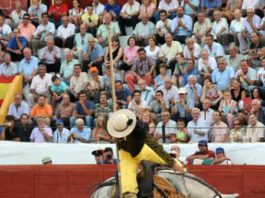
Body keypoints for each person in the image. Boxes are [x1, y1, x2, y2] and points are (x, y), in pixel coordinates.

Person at [107, 109, 184, 197]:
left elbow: (154, 145)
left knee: (168, 161)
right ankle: (130, 194)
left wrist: (171, 162)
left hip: (142, 149)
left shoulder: (140, 129)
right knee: (126, 176)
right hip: (126, 154)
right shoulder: (114, 126)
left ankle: (178, 166)